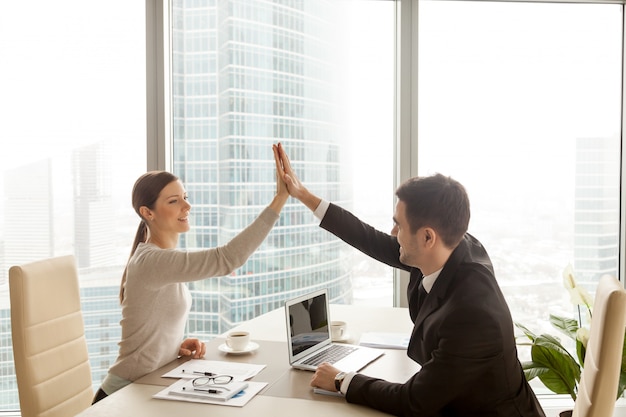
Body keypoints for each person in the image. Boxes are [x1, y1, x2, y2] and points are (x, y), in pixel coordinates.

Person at [275, 143, 545, 417]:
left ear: (428, 237)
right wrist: (303, 195)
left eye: (399, 225)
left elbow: (413, 401)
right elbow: (368, 238)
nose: (393, 233)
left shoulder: (473, 315)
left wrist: (341, 379)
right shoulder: (448, 248)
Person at [92, 145, 289, 404]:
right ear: (147, 213)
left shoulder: (160, 259)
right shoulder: (153, 261)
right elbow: (228, 259)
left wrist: (174, 348)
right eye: (174, 201)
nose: (187, 205)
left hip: (146, 386)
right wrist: (279, 199)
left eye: (184, 196)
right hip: (121, 396)